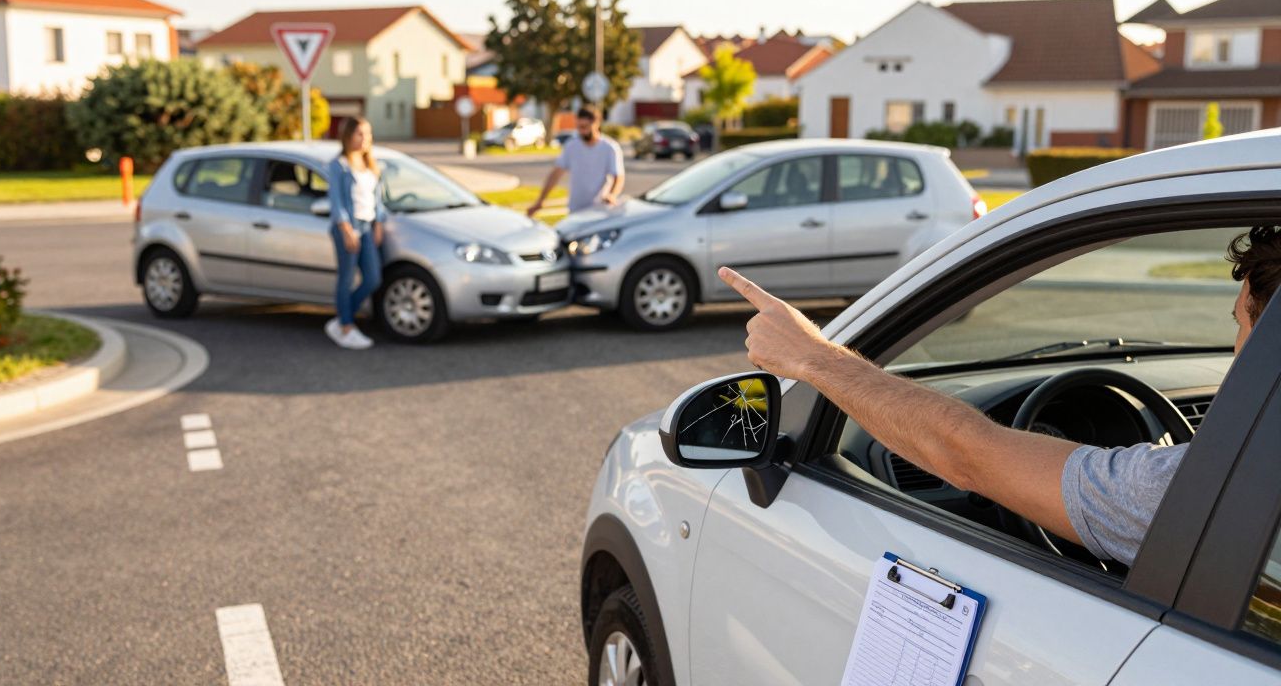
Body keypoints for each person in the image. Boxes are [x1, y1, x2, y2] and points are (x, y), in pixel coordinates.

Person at [720, 226, 1281, 566]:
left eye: (1238, 324)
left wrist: (811, 357)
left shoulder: (1201, 489)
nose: (1235, 348)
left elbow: (967, 453)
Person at [324, 117, 386, 350]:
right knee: (346, 278)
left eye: (368, 134)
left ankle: (341, 317)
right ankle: (346, 327)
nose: (365, 139)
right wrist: (346, 229)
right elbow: (337, 202)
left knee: (373, 278)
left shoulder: (370, 164)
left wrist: (378, 223)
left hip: (367, 226)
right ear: (348, 136)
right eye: (360, 134)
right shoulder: (339, 165)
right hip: (348, 229)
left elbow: (376, 199)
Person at [527, 107, 624, 217]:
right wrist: (540, 201)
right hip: (576, 210)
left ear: (596, 123)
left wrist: (612, 195)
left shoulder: (610, 147)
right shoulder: (571, 146)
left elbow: (618, 176)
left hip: (600, 210)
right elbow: (555, 175)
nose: (581, 131)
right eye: (578, 127)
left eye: (585, 127)